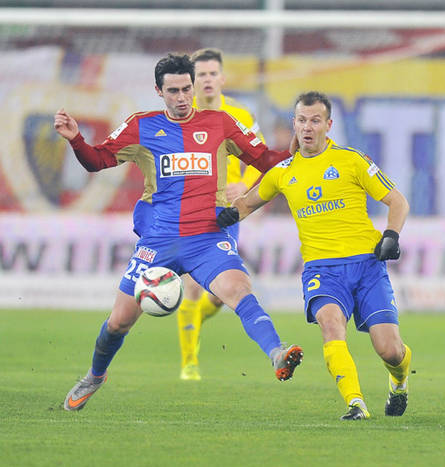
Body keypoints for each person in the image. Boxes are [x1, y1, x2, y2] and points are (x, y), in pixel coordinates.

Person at [55, 53, 303, 412]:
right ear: (159, 91)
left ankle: (277, 353)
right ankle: (95, 375)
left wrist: (297, 149)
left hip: (208, 238)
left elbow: (265, 160)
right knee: (119, 322)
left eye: (187, 88)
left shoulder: (220, 123)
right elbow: (97, 161)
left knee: (239, 290)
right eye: (174, 91)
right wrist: (76, 139)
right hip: (159, 241)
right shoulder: (141, 126)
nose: (183, 97)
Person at [219, 91, 412, 420]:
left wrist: (391, 235)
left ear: (328, 125)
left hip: (367, 266)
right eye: (302, 120)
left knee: (390, 350)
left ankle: (399, 381)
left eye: (315, 121)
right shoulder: (283, 172)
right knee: (331, 324)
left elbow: (398, 201)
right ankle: (356, 403)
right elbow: (247, 204)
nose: (308, 127)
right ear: (294, 124)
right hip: (322, 270)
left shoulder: (352, 160)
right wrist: (221, 217)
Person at [175, 48, 266, 381]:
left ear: (223, 78)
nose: (208, 79)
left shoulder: (240, 114)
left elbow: (262, 159)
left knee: (218, 295)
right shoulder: (180, 115)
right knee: (192, 285)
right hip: (191, 210)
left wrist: (243, 184)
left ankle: (193, 321)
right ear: (191, 81)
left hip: (227, 213)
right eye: (201, 74)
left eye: (213, 73)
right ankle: (189, 363)